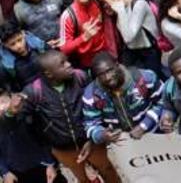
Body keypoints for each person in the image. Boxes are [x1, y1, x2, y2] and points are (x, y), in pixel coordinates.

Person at [4, 50, 120, 183]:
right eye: (62, 64)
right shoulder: (33, 92)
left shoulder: (80, 77)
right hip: (64, 150)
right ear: (49, 73)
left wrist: (97, 135)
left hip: (91, 141)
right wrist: (10, 113)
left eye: (67, 60)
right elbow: (10, 127)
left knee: (107, 171)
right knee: (83, 178)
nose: (69, 64)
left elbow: (100, 105)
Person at [82, 52, 163, 145]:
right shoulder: (91, 95)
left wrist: (144, 125)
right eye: (101, 75)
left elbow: (164, 101)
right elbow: (90, 124)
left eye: (109, 70)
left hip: (153, 135)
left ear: (117, 65)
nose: (107, 77)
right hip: (122, 144)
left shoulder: (145, 78)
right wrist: (102, 135)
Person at [95, 0, 162, 74]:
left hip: (148, 52)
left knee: (152, 81)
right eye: (104, 1)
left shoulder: (139, 5)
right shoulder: (117, 8)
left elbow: (128, 37)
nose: (109, 3)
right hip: (131, 52)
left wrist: (121, 10)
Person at [59, 0, 119, 69]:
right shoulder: (68, 16)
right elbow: (64, 48)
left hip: (108, 55)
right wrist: (84, 37)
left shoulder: (99, 3)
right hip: (86, 63)